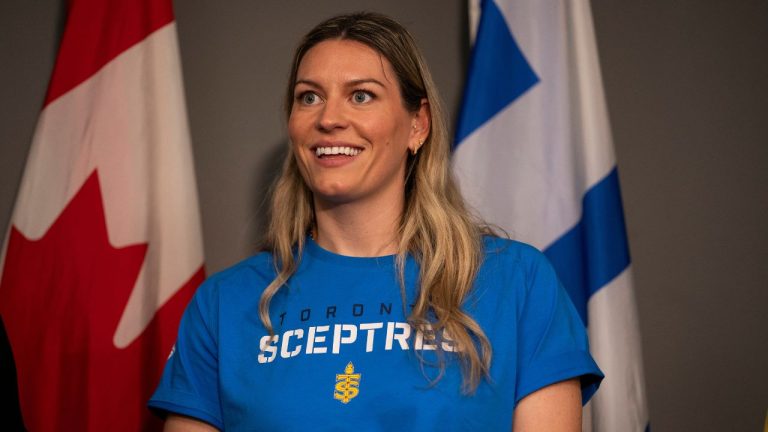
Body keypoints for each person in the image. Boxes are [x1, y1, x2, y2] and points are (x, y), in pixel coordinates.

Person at [148, 11, 603, 431]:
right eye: (309, 97)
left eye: (361, 95)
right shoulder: (224, 304)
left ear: (417, 125)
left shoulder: (516, 281)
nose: (329, 118)